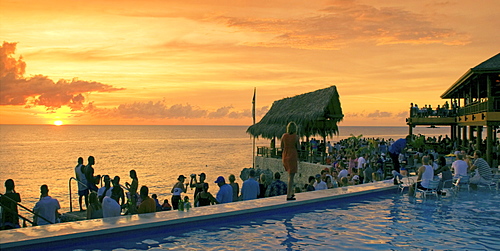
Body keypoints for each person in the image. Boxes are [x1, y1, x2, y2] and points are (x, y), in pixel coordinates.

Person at [281, 121, 300, 201]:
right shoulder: (296, 137)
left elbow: (282, 146)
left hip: (285, 155)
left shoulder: (284, 136)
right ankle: (288, 195)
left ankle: (291, 193)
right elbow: (298, 147)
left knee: (289, 175)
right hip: (292, 156)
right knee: (291, 177)